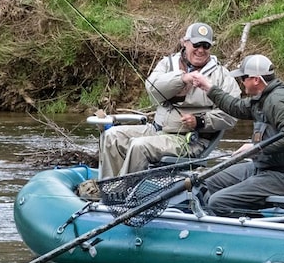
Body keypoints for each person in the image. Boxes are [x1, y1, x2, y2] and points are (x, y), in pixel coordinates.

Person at [98, 22, 241, 179]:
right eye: (196, 44)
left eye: (206, 45)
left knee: (139, 146)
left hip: (190, 141)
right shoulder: (168, 64)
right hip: (156, 130)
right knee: (112, 135)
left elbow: (231, 113)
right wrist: (182, 79)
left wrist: (199, 121)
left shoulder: (221, 75)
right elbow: (152, 88)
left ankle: (128, 191)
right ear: (184, 42)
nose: (200, 50)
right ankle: (110, 187)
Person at [188, 54, 284, 217]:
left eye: (243, 78)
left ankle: (256, 227)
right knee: (208, 181)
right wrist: (208, 87)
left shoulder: (279, 101)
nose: (241, 82)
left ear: (256, 80)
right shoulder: (263, 99)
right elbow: (235, 107)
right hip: (264, 169)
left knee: (219, 201)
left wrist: (256, 148)